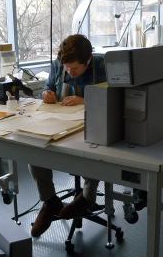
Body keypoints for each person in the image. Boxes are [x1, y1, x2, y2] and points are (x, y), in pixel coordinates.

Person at [30, 34, 106, 237]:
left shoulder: (102, 66)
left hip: (92, 125)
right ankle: (49, 201)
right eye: (66, 68)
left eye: (74, 69)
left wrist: (85, 99)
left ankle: (87, 198)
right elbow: (49, 87)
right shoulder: (59, 64)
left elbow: (115, 97)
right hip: (61, 124)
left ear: (88, 60)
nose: (69, 72)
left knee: (94, 147)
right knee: (33, 146)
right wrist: (47, 93)